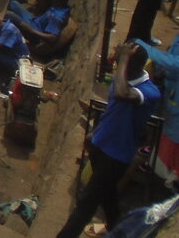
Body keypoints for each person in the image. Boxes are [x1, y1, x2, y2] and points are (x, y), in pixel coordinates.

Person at [55, 43, 160, 238]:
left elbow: (122, 95)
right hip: (100, 145)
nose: (114, 62)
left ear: (128, 64)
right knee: (107, 194)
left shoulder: (149, 91)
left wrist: (123, 61)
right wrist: (95, 135)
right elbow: (113, 110)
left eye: (118, 60)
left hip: (116, 156)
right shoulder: (121, 79)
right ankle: (118, 228)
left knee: (86, 203)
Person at [136, 33, 179, 183]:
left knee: (173, 138)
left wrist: (146, 49)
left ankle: (169, 178)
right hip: (172, 94)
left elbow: (175, 63)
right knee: (166, 131)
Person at [7, 0, 71, 54]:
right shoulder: (60, 7)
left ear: (58, 0)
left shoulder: (56, 17)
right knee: (13, 3)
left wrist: (32, 30)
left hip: (35, 31)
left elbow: (52, 37)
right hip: (34, 21)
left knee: (10, 15)